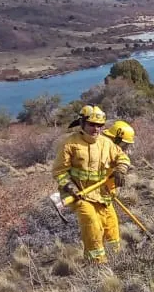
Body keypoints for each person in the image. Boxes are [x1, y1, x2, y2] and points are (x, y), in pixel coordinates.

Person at [52, 105, 131, 264]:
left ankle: (114, 261)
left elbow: (122, 158)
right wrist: (69, 186)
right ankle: (96, 264)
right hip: (79, 195)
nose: (96, 129)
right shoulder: (70, 144)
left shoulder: (106, 143)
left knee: (112, 228)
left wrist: (121, 169)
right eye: (92, 125)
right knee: (92, 225)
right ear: (82, 123)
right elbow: (59, 171)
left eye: (100, 125)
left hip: (102, 194)